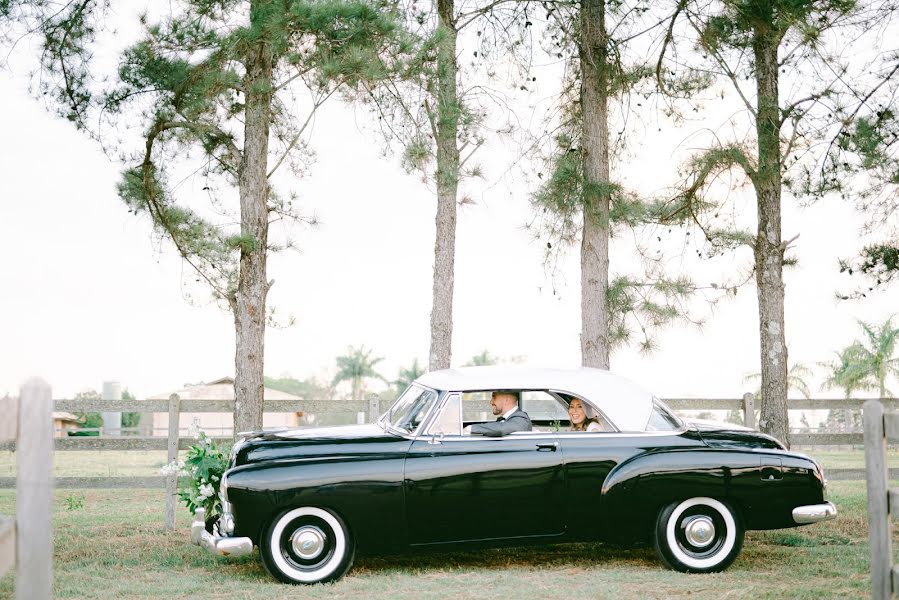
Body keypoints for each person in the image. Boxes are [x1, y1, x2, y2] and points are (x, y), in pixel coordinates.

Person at [465, 391, 531, 437]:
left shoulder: (521, 418)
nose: (491, 402)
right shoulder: (506, 419)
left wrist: (470, 428)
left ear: (507, 400)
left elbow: (500, 429)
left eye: (494, 397)